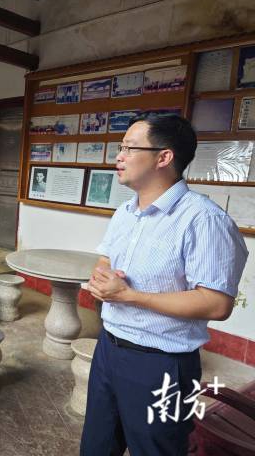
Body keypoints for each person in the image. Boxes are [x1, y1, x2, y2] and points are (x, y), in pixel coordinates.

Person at [80, 114, 248, 456]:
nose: (119, 156)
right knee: (96, 446)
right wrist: (102, 278)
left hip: (160, 363)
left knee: (155, 449)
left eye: (130, 148)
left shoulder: (204, 220)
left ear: (164, 157)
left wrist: (130, 295)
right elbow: (105, 260)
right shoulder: (125, 212)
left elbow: (217, 303)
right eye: (121, 147)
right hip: (108, 349)